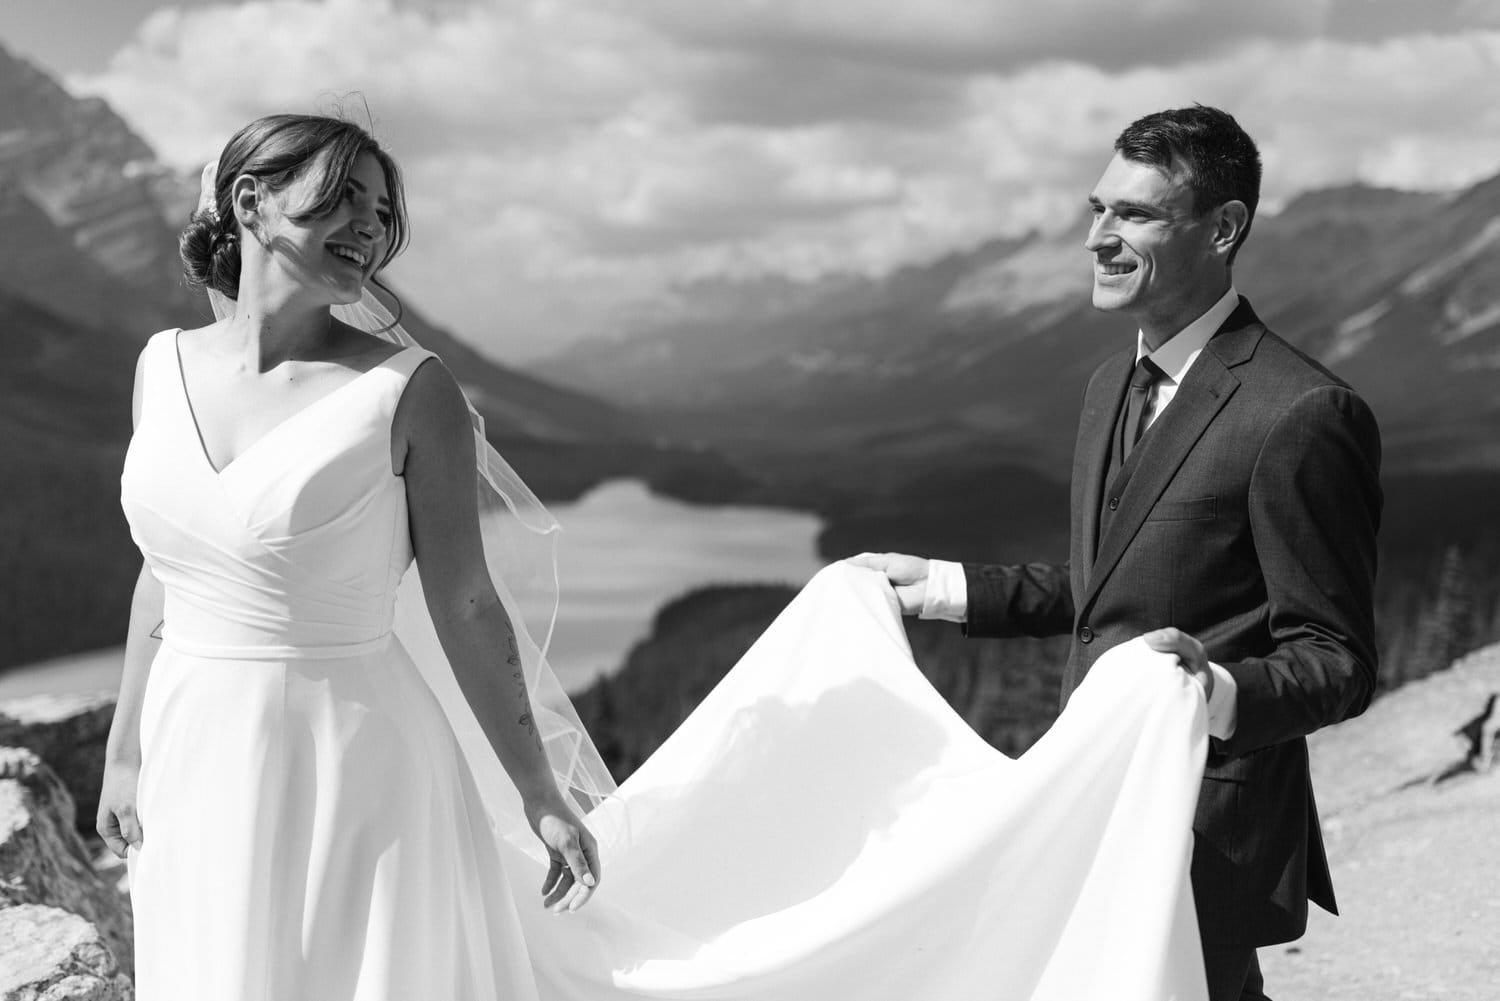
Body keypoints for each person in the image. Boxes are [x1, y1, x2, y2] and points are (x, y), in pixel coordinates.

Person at [853, 105, 1383, 1001]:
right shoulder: (1111, 384)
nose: (1098, 236)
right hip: (1088, 795)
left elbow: (1338, 660)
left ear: (1223, 229)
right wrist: (941, 588)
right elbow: (1116, 586)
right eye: (1097, 209)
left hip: (1200, 823)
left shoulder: (1302, 413)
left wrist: (1208, 688)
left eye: (1134, 214)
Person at [98, 114, 609, 1001]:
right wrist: (124, 752)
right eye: (343, 199)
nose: (370, 228)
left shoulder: (411, 391)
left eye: (381, 211)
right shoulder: (160, 365)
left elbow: (467, 602)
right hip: (192, 750)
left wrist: (538, 790)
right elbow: (166, 570)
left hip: (357, 763)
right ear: (251, 203)